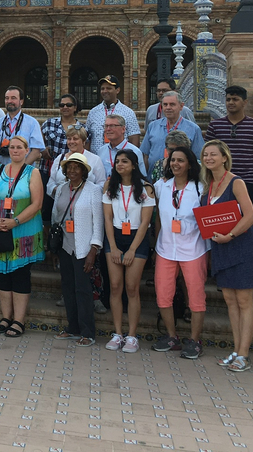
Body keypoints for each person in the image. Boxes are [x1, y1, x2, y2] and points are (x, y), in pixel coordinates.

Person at [200, 140, 253, 373]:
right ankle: (236, 350)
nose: (208, 158)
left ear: (224, 157)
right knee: (230, 301)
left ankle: (244, 354)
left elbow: (250, 216)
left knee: (244, 301)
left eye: (213, 154)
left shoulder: (236, 182)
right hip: (221, 248)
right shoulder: (209, 186)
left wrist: (231, 235)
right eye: (205, 155)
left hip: (241, 246)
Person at [0, 136, 44, 339]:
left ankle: (19, 320)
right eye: (12, 147)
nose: (15, 150)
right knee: (3, 274)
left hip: (23, 230)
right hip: (1, 227)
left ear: (27, 150)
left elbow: (36, 204)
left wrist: (15, 221)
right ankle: (5, 317)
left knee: (20, 274)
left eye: (20, 147)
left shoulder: (32, 172)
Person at [152, 146, 208, 359]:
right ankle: (172, 336)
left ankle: (194, 340)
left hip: (193, 249)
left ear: (190, 164)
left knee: (195, 297)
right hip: (166, 249)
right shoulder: (161, 186)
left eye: (180, 160)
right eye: (172, 160)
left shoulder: (200, 188)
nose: (175, 164)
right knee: (163, 295)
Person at [102, 149, 155, 353]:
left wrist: (132, 249)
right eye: (117, 161)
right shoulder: (110, 186)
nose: (120, 164)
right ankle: (117, 333)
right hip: (115, 236)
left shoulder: (146, 188)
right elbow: (107, 218)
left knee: (132, 288)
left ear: (134, 165)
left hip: (137, 238)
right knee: (115, 286)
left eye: (125, 161)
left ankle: (132, 335)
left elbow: (145, 222)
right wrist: (113, 246)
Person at [52, 152, 104, 347]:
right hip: (65, 245)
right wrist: (55, 248)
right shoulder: (61, 189)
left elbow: (98, 221)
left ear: (83, 170)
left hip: (83, 248)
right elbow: (56, 216)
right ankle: (72, 328)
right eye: (69, 167)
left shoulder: (93, 190)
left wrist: (94, 249)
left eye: (77, 167)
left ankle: (87, 332)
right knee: (68, 288)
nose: (72, 170)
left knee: (83, 289)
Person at [204, 85, 253, 214]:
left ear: (244, 102)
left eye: (235, 99)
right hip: (221, 182)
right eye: (228, 99)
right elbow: (208, 156)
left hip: (249, 181)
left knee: (248, 221)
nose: (231, 103)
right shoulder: (215, 126)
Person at [0, 86, 45, 167]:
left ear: (21, 101)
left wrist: (20, 170)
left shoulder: (32, 123)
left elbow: (36, 151)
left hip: (24, 174)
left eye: (13, 98)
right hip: (1, 175)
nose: (9, 101)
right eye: (7, 98)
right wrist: (2, 170)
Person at [140, 91, 204, 171]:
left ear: (181, 106)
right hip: (154, 178)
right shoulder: (153, 126)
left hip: (182, 178)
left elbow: (198, 158)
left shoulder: (193, 129)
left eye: (172, 104)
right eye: (165, 104)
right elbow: (145, 155)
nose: (168, 107)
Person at [86, 75, 141, 155]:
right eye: (102, 88)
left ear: (117, 90)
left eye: (109, 88)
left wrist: (130, 159)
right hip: (97, 159)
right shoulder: (93, 112)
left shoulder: (128, 112)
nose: (105, 91)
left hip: (119, 161)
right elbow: (88, 138)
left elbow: (134, 138)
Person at [45, 124, 105, 196]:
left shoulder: (95, 159)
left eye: (75, 139)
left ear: (83, 141)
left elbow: (101, 184)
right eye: (69, 139)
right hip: (62, 201)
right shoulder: (60, 158)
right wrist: (59, 190)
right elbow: (50, 184)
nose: (71, 142)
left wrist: (86, 191)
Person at [97, 114, 146, 179]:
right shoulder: (101, 151)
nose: (108, 129)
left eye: (112, 126)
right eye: (106, 126)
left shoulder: (135, 151)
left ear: (123, 129)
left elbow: (141, 178)